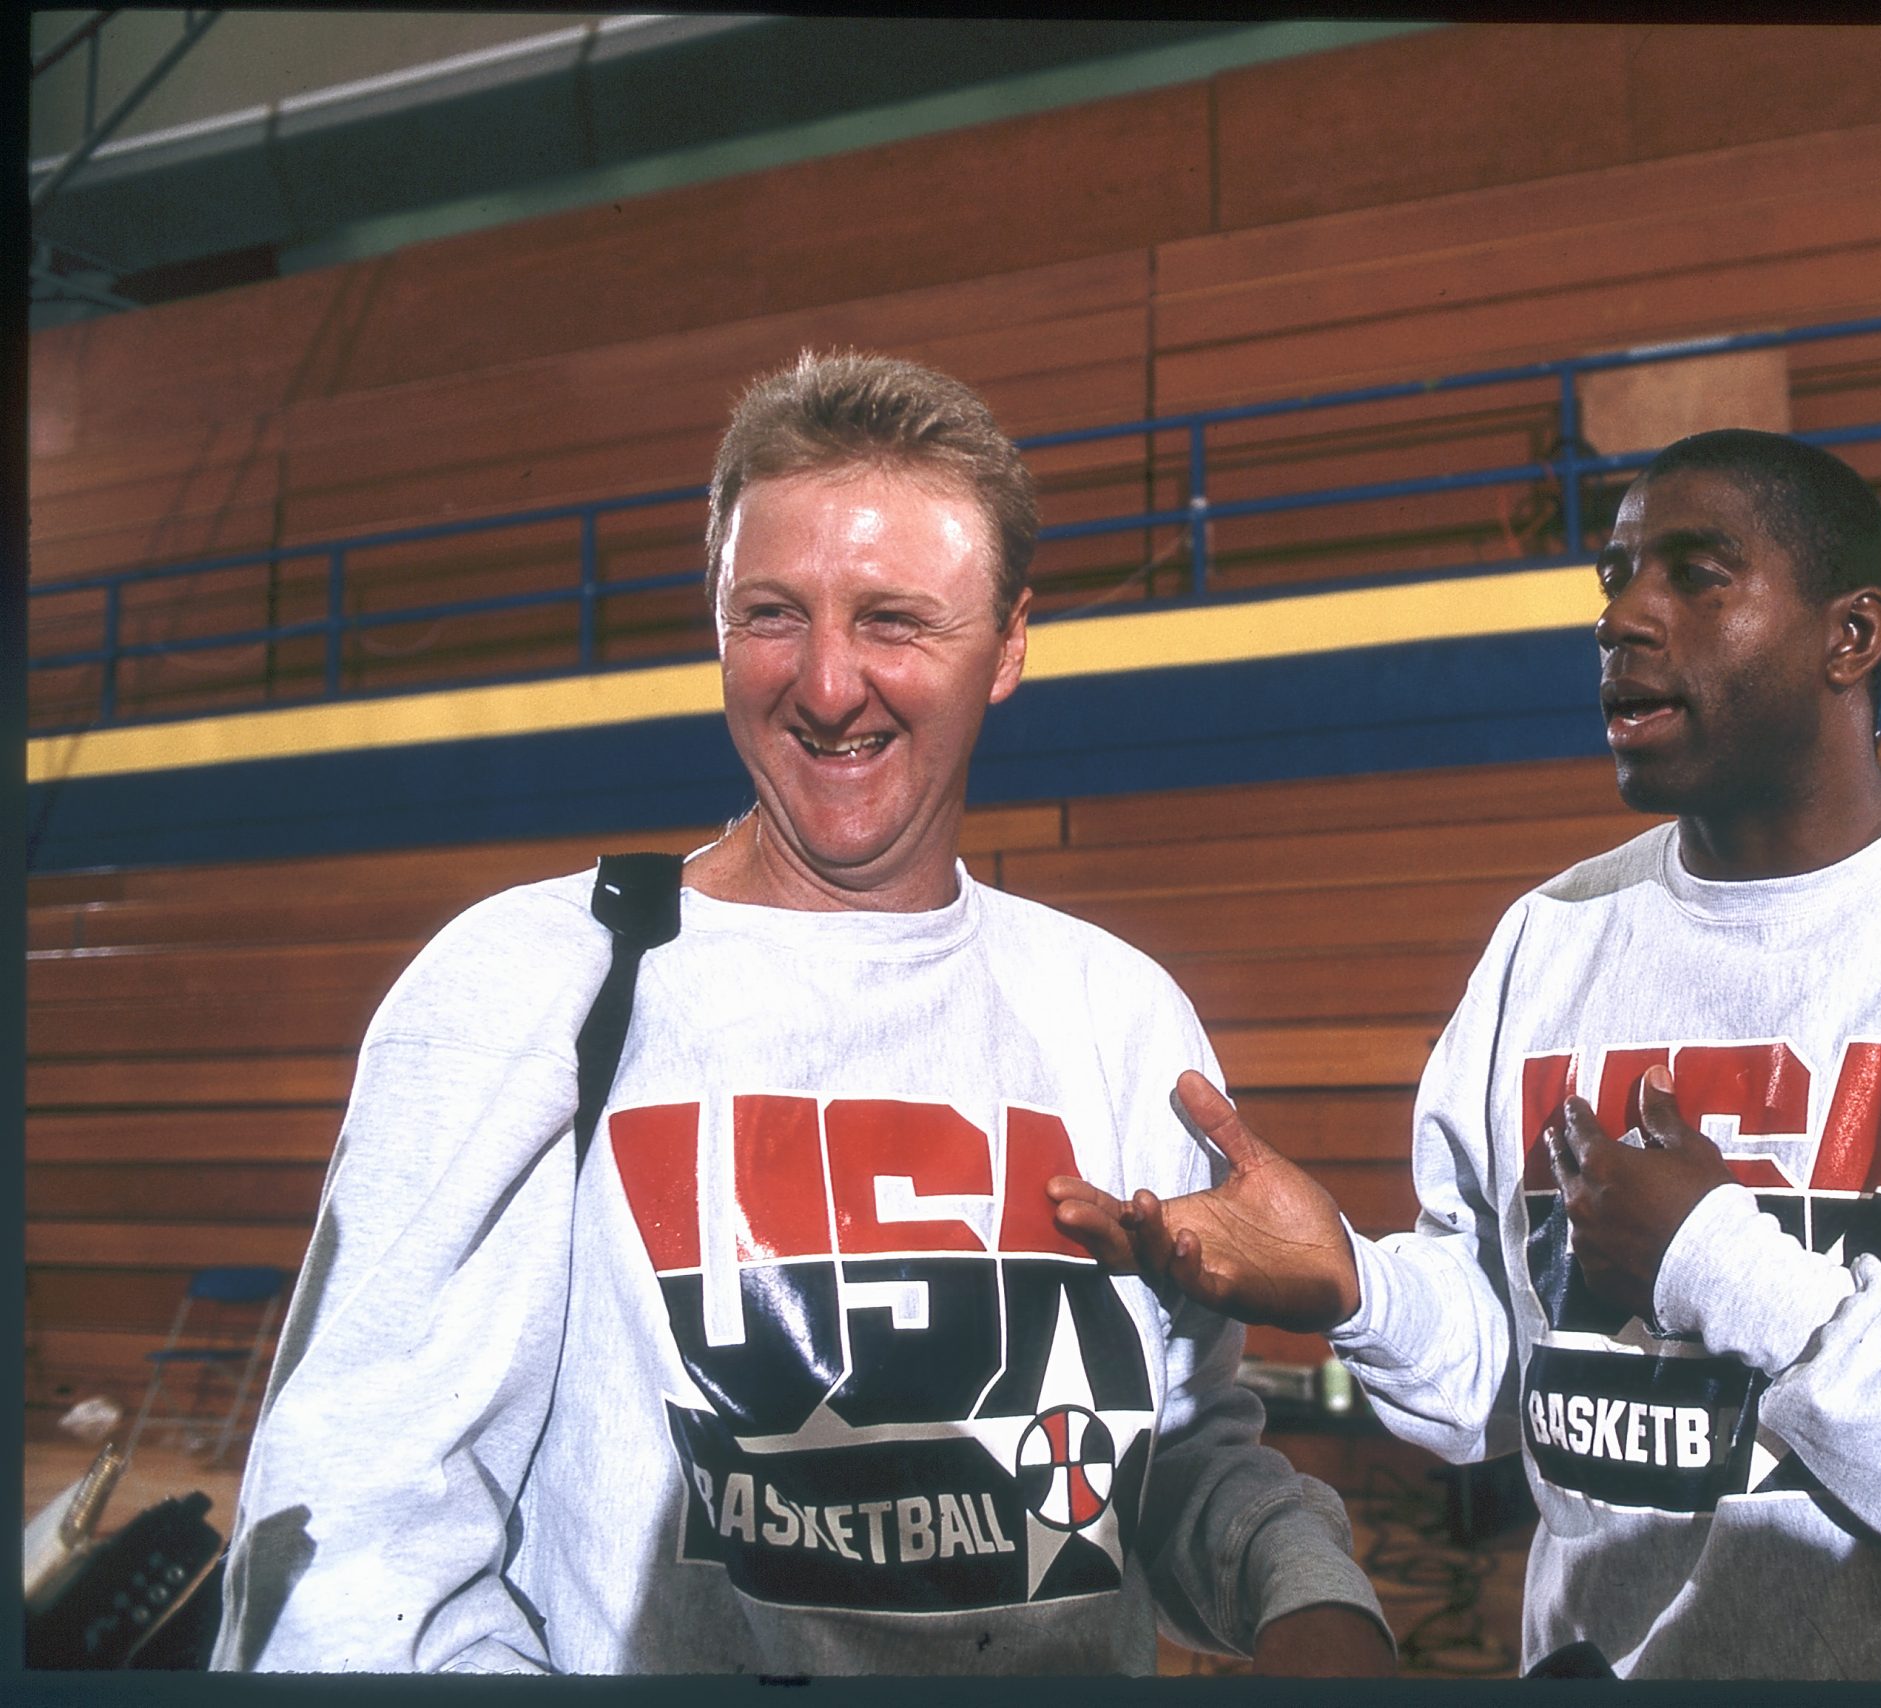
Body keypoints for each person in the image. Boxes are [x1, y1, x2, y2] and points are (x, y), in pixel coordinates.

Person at [1051, 429, 1881, 1681]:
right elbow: (1510, 1381)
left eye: (1698, 573)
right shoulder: (1550, 939)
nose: (1624, 618)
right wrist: (1359, 1294)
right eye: (1615, 575)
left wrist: (1724, 1266)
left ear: (1850, 636)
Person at [211, 350, 1393, 1676]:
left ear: (1007, 645)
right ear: (716, 618)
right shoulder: (526, 989)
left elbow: (1161, 1457)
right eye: (775, 614)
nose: (828, 687)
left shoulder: (1120, 1015)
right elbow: (354, 1561)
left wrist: (1309, 1594)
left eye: (894, 621)